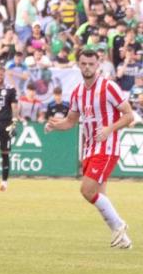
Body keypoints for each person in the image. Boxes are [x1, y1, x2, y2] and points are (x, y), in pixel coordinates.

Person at [45, 50, 136, 249]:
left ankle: (119, 225)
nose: (87, 67)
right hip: (89, 149)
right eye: (84, 63)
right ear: (79, 64)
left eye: (91, 64)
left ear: (98, 65)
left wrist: (109, 129)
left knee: (87, 190)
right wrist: (54, 125)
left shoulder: (108, 87)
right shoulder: (77, 92)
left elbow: (129, 116)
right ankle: (124, 240)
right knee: (100, 195)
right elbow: (70, 121)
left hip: (106, 146)